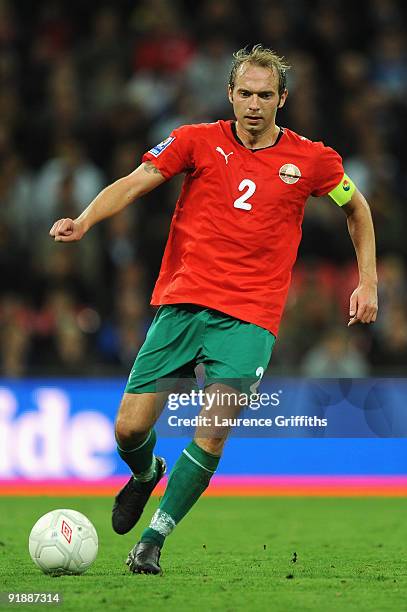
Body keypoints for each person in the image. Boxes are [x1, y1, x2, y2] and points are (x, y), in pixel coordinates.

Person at [49, 45, 378, 574]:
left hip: (250, 317)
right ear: (229, 94)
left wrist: (367, 283)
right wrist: (85, 222)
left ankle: (153, 540)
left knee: (213, 427)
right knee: (128, 431)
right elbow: (135, 183)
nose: (253, 104)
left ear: (282, 99)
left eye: (265, 95)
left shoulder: (313, 160)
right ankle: (144, 472)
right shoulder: (194, 140)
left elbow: (356, 208)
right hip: (182, 304)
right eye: (244, 93)